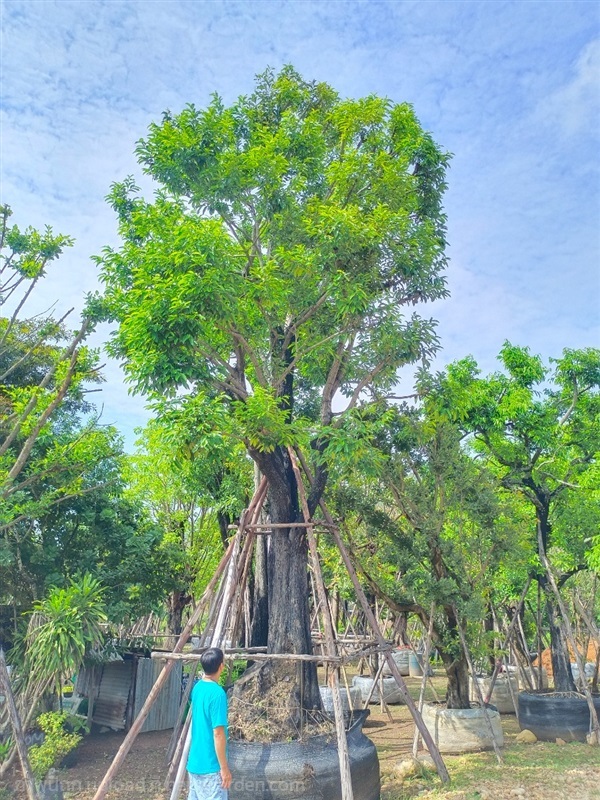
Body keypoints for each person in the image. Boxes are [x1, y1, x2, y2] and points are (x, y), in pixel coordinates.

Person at [187, 647, 232, 800]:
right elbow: (218, 734)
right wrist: (224, 768)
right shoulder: (217, 693)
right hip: (210, 765)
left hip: (194, 762)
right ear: (221, 666)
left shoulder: (197, 688)